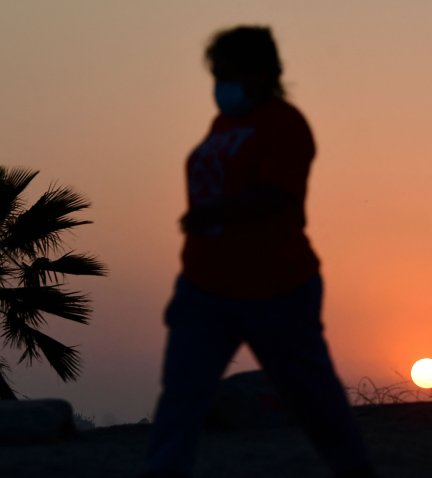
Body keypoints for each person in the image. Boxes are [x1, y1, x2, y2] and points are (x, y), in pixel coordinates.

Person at [142, 26, 377, 478]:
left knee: (311, 396)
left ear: (262, 72)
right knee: (183, 392)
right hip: (204, 287)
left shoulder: (285, 123)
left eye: (229, 72)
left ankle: (355, 470)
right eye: (216, 73)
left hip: (276, 287)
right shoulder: (223, 124)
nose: (220, 83)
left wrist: (217, 212)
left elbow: (278, 195)